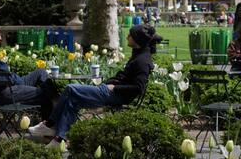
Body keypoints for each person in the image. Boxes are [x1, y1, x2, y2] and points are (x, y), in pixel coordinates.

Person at [29, 24, 159, 140]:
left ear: (137, 40)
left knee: (71, 89)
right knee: (73, 100)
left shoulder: (142, 61)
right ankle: (59, 138)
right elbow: (125, 77)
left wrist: (114, 88)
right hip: (112, 92)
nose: (127, 37)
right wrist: (110, 83)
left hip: (117, 96)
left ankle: (49, 124)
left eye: (130, 35)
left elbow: (138, 87)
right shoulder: (139, 55)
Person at [0, 24, 57, 117]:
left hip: (15, 84)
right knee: (43, 93)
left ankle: (55, 100)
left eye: (0, 35)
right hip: (7, 92)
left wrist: (9, 75)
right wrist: (8, 75)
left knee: (40, 72)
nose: (0, 38)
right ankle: (49, 120)